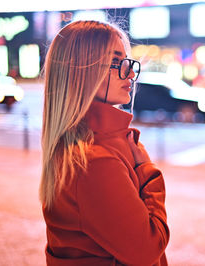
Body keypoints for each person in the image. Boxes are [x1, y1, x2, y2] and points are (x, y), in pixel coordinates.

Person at [39, 20, 169, 265]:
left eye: (127, 61)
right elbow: (148, 249)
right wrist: (148, 174)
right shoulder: (92, 161)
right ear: (79, 69)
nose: (130, 73)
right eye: (115, 62)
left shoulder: (90, 146)